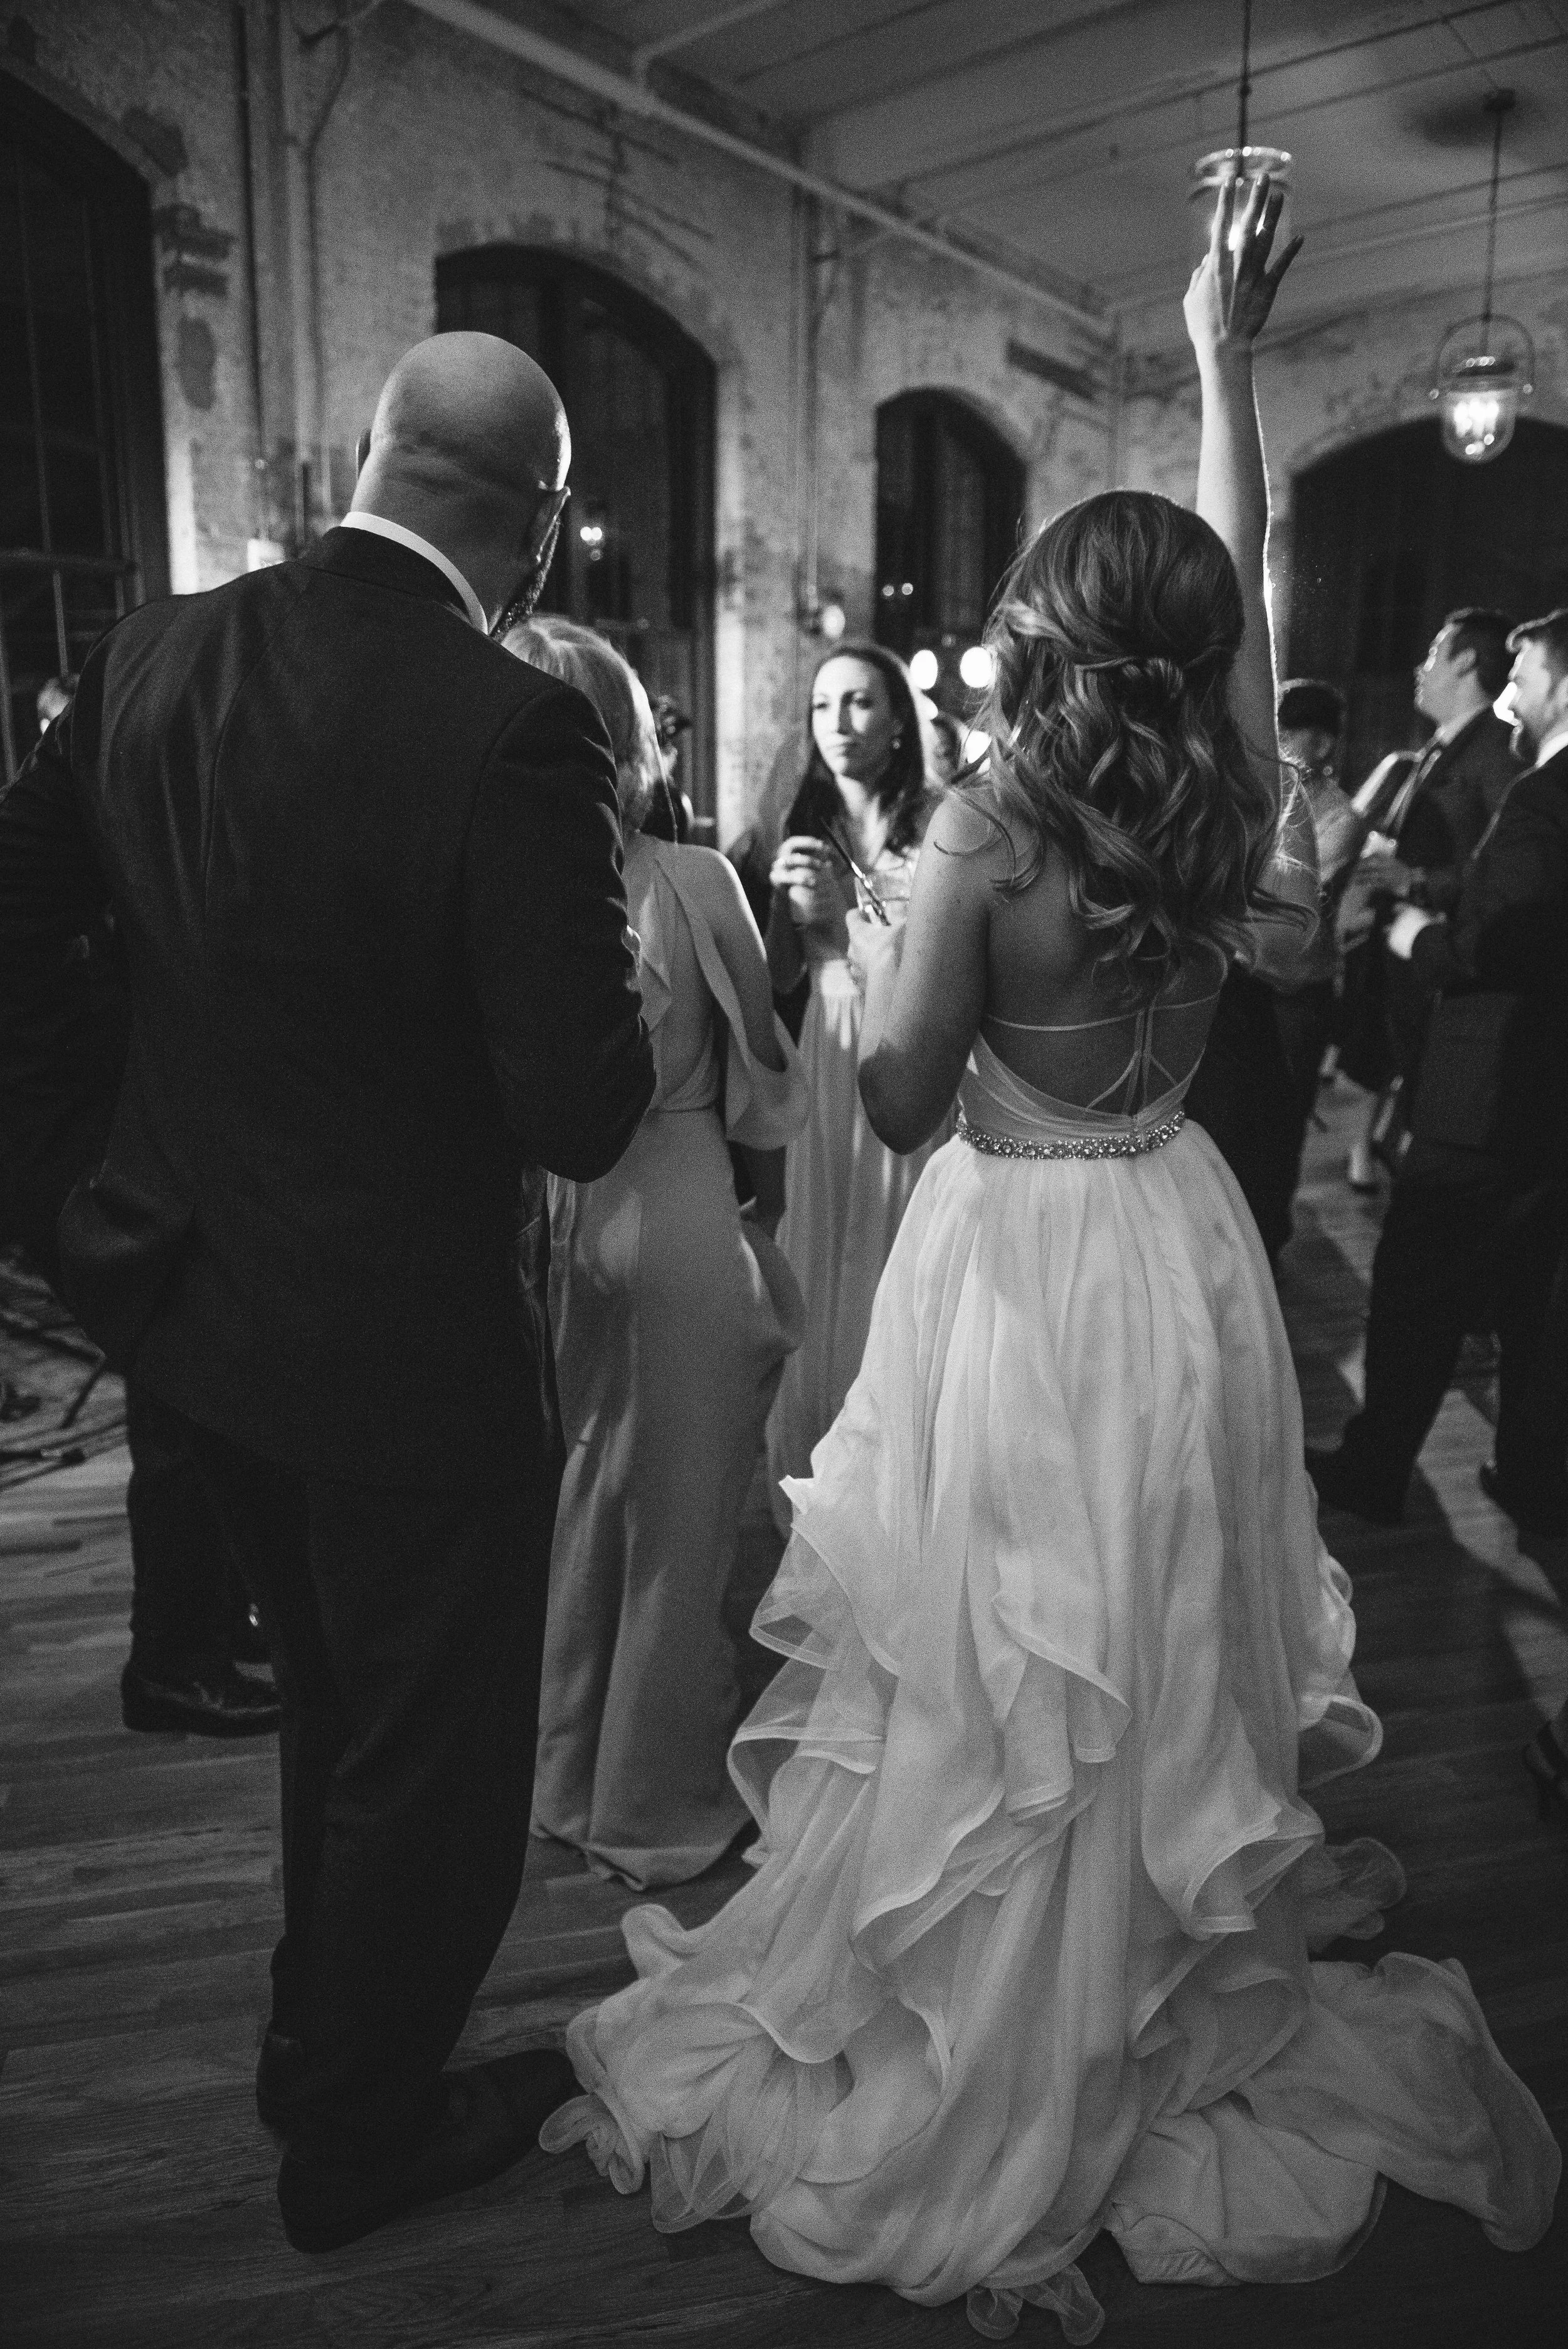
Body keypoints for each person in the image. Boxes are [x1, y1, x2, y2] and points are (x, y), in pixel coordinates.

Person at [539, 182, 1559, 2334]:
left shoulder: (995, 828)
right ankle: (1147, 1968)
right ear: (1193, 656)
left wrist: (848, 933)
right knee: (1152, 1631)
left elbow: (900, 1103)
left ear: (1040, 637)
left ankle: (994, 2011)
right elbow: (1247, 580)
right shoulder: (1233, 779)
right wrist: (1221, 355)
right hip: (1178, 1242)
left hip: (1011, 1255)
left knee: (1004, 1657)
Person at [0, 330, 656, 2252]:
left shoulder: (151, 654)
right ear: (533, 527)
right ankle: (359, 2139)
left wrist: (73, 1193)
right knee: (430, 1765)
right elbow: (587, 1101)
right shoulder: (510, 726)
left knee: (335, 1726)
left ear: (364, 458)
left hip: (196, 1323)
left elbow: (13, 918)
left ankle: (318, 2052)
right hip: (407, 1360)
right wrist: (596, 870)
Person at [507, 617, 808, 1889]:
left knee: (578, 1513)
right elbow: (763, 1083)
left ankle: (561, 1779)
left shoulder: (491, 888)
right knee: (681, 1533)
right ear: (627, 737)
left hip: (549, 1224)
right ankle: (652, 1803)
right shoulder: (691, 882)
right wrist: (763, 1221)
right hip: (677, 1204)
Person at [1, 682, 279, 1737]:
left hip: (132, 1168)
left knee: (199, 1421)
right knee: (178, 1433)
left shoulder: (101, 852)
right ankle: (177, 1662)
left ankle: (214, 1627)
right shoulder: (57, 870)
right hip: (95, 1175)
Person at [1309, 608, 1568, 1537]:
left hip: (1485, 1093)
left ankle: (1375, 1470)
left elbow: (1503, 937)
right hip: (1544, 1098)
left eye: (1529, 669)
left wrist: (1424, 936)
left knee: (1417, 1293)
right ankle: (1535, 1476)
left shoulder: (1544, 794)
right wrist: (1441, 890)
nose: (1515, 686)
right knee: (1535, 1306)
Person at [762, 643, 943, 1529]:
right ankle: (827, 1451)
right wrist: (792, 916)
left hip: (903, 1039)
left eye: (861, 703)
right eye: (824, 706)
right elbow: (782, 975)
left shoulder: (941, 822)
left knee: (895, 1237)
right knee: (825, 1229)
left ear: (899, 720)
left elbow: (945, 968)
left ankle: (903, 1453)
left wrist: (856, 924)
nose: (838, 724)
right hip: (826, 1045)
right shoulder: (801, 817)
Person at [1338, 608, 1520, 1188]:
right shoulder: (1441, 747)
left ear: (1466, 661)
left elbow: (1501, 867)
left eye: (1435, 652)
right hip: (1400, 951)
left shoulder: (1495, 751)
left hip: (1440, 961)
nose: (1421, 668)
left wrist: (1414, 880)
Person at [1269, 677, 1366, 1206]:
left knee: (1282, 1125)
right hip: (1244, 980)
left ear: (1322, 744)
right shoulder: (1260, 792)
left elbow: (1291, 897)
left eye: (1288, 734)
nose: (1275, 742)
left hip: (1297, 990)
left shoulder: (1340, 818)